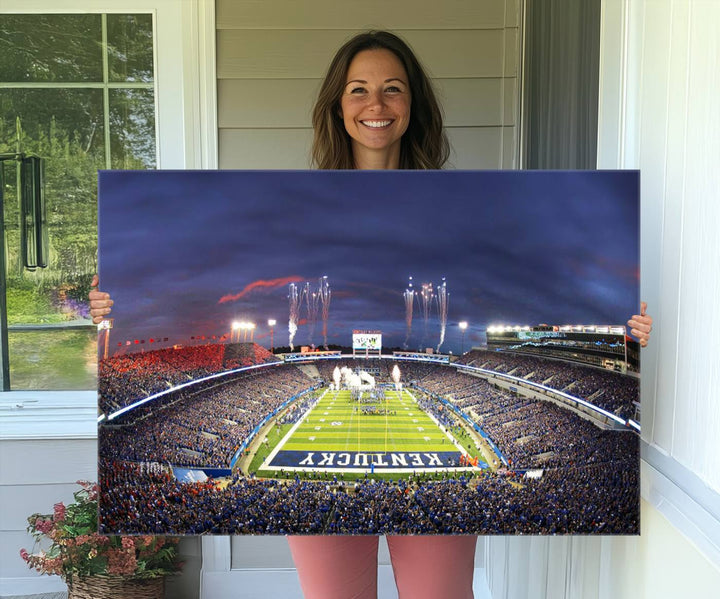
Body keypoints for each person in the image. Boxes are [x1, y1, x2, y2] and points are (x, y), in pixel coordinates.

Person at [89, 30, 653, 599]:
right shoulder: (294, 209)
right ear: (338, 104)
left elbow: (524, 288)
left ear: (413, 105)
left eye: (392, 89)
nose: (376, 105)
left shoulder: (457, 208)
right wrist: (115, 304)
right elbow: (218, 278)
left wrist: (620, 331)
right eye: (358, 90)